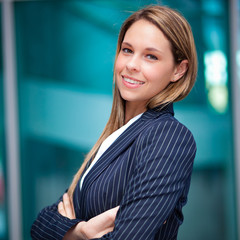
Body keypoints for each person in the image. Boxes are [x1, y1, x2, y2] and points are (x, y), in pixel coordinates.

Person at [31, 5, 197, 240]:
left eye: (151, 56)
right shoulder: (116, 136)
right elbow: (39, 227)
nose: (131, 65)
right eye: (127, 50)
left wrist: (67, 232)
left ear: (179, 70)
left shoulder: (168, 135)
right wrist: (81, 232)